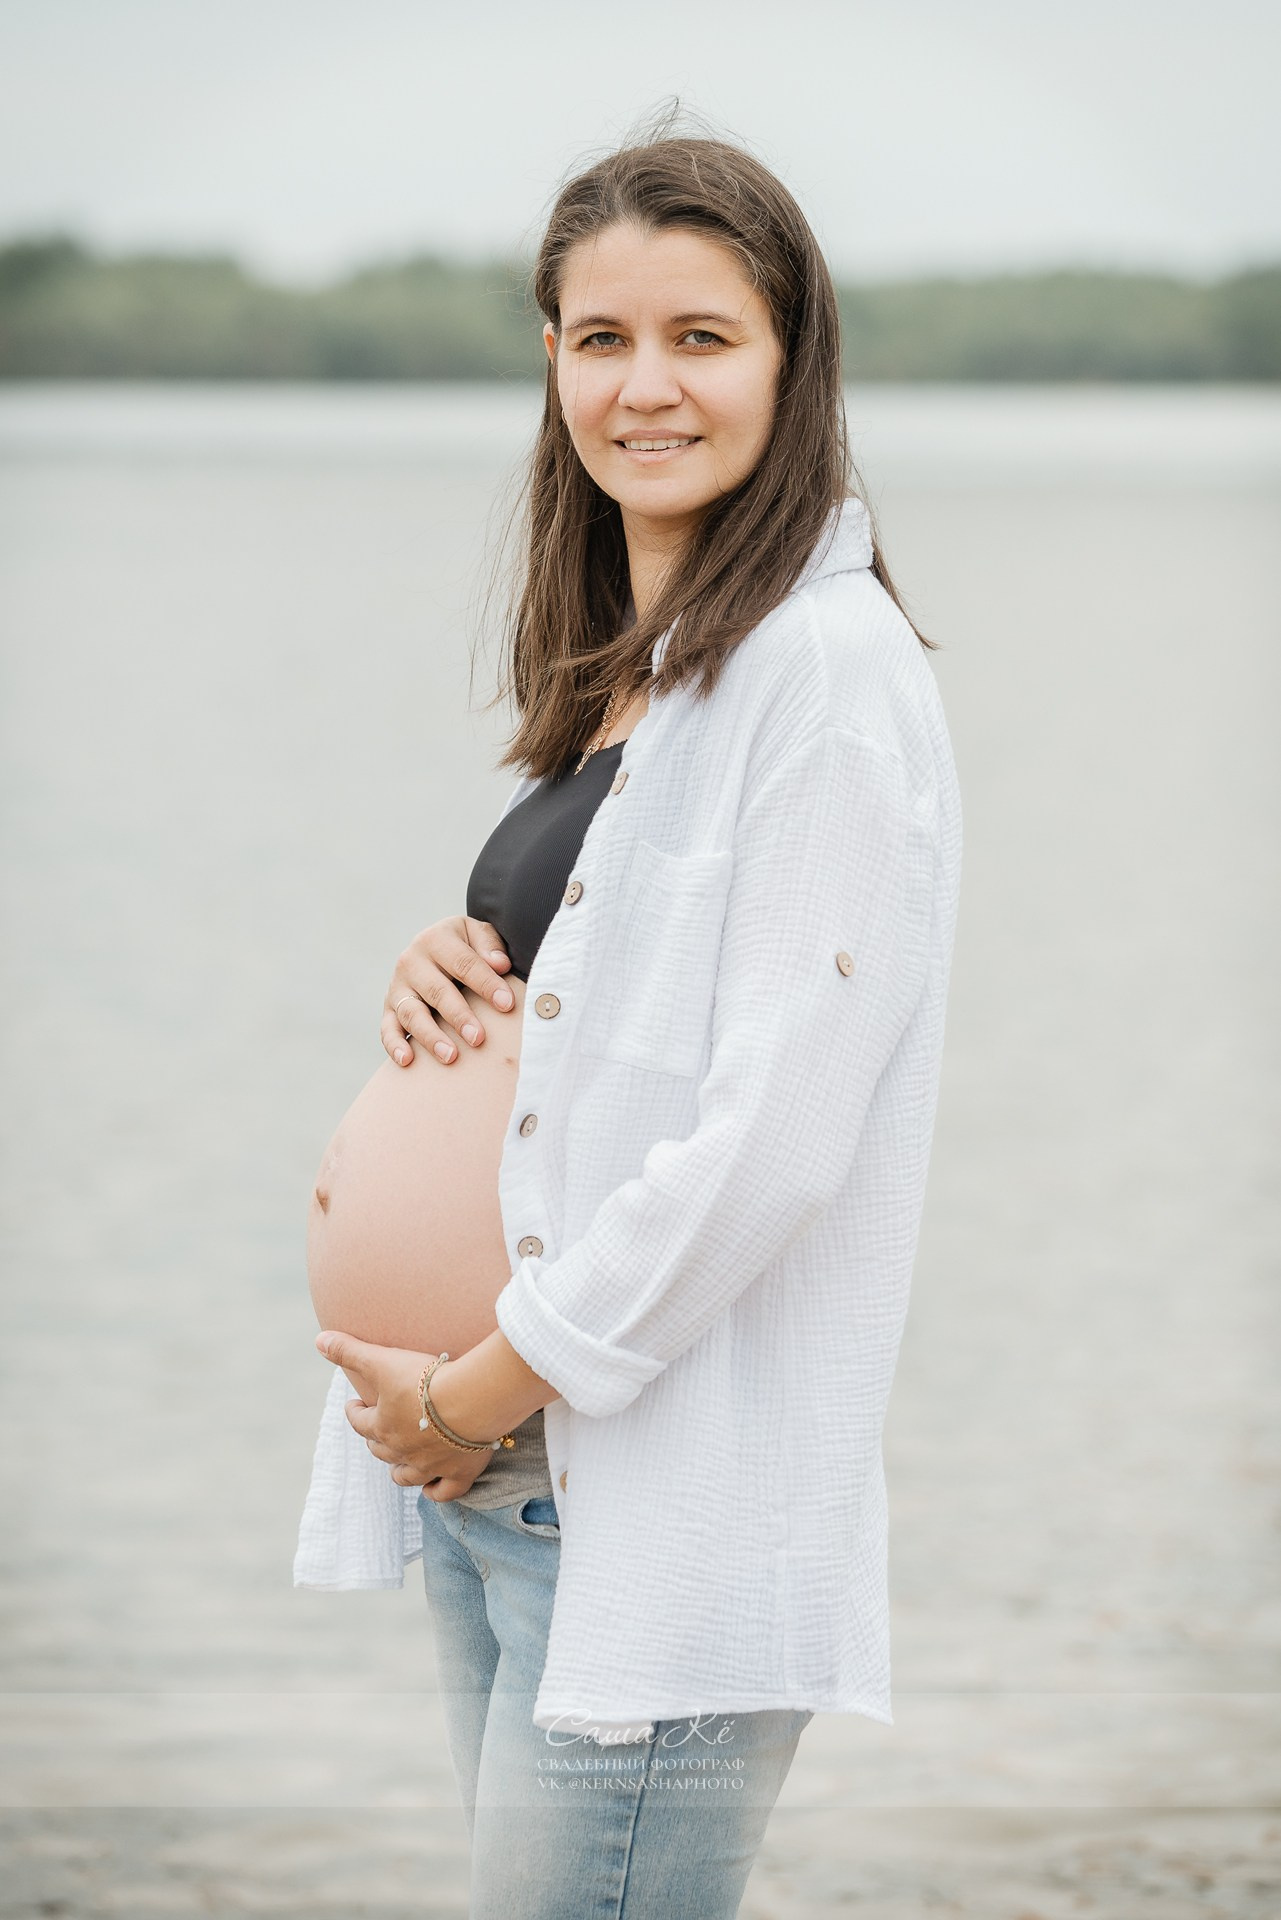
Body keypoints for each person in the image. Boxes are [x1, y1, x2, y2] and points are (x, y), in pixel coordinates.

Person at [295, 126, 962, 1919]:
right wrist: (446, 982)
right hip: (502, 1483)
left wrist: (477, 1386)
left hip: (618, 1498)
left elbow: (772, 1137)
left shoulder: (823, 678)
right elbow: (606, 1011)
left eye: (700, 337)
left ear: (791, 357)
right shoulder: (650, 674)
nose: (642, 386)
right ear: (550, 361)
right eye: (600, 339)